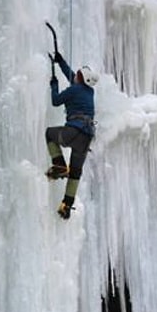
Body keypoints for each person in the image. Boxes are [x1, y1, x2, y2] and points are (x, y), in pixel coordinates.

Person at [45, 52, 99, 220]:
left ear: (82, 78)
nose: (76, 75)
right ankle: (66, 206)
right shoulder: (88, 92)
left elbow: (56, 100)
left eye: (79, 74)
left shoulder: (75, 89)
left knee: (50, 134)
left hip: (73, 132)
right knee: (75, 173)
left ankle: (59, 165)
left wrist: (54, 84)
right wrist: (61, 61)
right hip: (86, 138)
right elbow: (71, 75)